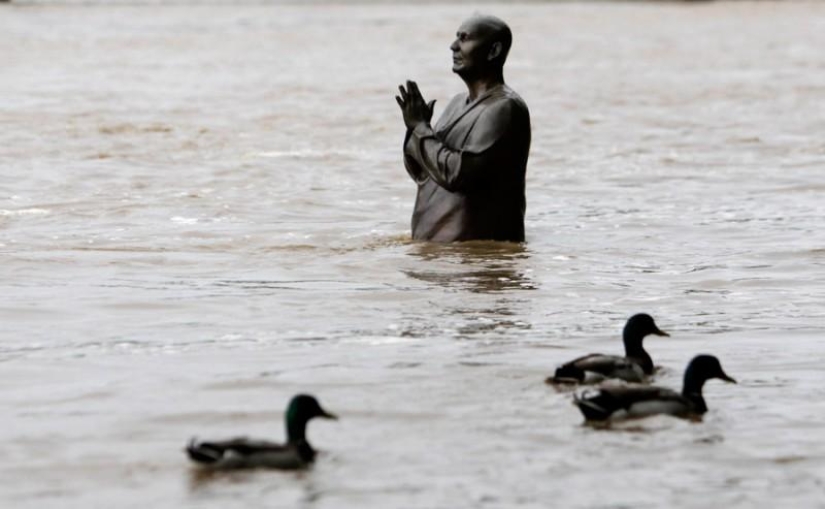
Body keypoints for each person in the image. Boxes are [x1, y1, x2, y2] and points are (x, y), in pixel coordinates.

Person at [396, 14, 531, 243]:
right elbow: (423, 173)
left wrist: (421, 129)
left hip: (474, 265)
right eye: (456, 37)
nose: (453, 46)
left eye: (464, 38)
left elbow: (457, 175)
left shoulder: (504, 108)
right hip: (440, 258)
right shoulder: (457, 104)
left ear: (493, 50)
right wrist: (415, 128)